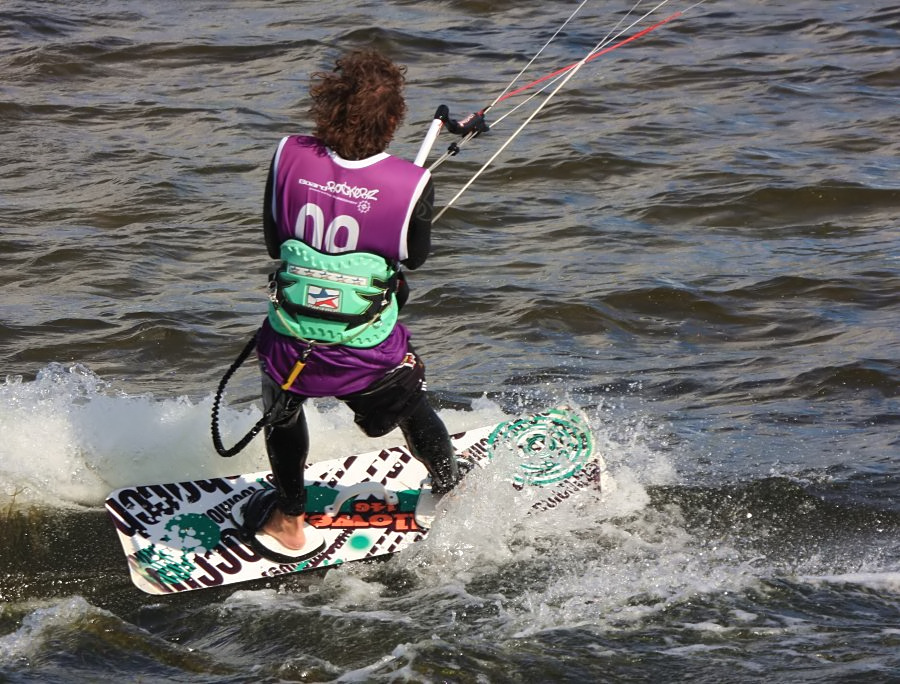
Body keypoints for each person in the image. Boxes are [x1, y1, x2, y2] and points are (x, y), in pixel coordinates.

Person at [233, 49, 480, 563]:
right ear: (393, 121)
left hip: (292, 342)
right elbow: (412, 258)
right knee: (412, 404)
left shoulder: (288, 154)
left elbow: (274, 242)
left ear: (325, 107)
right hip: (365, 352)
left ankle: (290, 520)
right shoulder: (411, 184)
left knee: (281, 410)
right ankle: (449, 487)